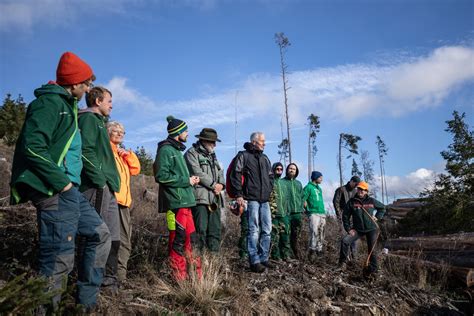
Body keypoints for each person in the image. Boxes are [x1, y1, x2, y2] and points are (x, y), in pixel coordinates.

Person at [10, 52, 111, 311]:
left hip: (69, 190)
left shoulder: (69, 107)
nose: (88, 88)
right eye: (86, 83)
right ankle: (45, 310)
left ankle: (84, 305)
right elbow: (32, 147)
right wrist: (62, 184)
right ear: (75, 83)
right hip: (54, 189)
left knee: (100, 235)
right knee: (58, 260)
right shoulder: (48, 104)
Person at [79, 86, 121, 294]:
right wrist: (100, 181)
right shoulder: (87, 119)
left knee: (113, 237)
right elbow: (85, 150)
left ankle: (108, 282)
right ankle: (89, 289)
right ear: (97, 101)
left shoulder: (100, 123)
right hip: (97, 187)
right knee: (96, 236)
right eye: (109, 101)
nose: (111, 105)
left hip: (109, 188)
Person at [154, 116, 202, 280]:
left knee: (191, 239)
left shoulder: (176, 151)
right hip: (175, 204)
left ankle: (197, 277)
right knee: (178, 240)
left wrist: (190, 181)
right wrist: (186, 180)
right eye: (185, 130)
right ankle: (178, 279)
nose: (188, 133)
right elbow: (161, 176)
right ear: (178, 132)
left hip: (186, 202)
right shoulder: (166, 150)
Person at [229, 132, 273, 273]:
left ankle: (263, 258)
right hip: (251, 199)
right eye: (262, 141)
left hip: (264, 200)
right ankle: (254, 261)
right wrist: (239, 195)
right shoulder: (243, 155)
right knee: (253, 230)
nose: (264, 143)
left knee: (267, 230)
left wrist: (269, 190)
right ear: (254, 142)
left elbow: (271, 177)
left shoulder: (265, 158)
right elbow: (235, 174)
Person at [107, 121, 141, 282]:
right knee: (117, 242)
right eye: (116, 131)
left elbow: (135, 170)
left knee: (124, 241)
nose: (120, 133)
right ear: (108, 132)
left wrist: (128, 155)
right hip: (112, 201)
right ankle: (116, 279)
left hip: (124, 204)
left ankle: (119, 278)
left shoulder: (120, 154)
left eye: (122, 132)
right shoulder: (106, 151)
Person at [184, 128, 225, 253]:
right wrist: (214, 185)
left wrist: (221, 185)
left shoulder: (213, 155)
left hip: (215, 199)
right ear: (204, 141)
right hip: (200, 199)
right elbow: (197, 172)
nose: (214, 145)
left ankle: (214, 262)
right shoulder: (191, 153)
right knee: (199, 231)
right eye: (212, 142)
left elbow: (220, 172)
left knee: (215, 231)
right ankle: (198, 263)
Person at [339, 181, 385, 278]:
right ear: (357, 189)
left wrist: (378, 217)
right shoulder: (352, 202)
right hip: (358, 229)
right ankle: (342, 264)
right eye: (359, 189)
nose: (361, 191)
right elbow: (345, 216)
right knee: (345, 241)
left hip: (371, 229)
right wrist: (348, 229)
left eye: (363, 190)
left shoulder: (372, 201)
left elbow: (382, 208)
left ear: (366, 191)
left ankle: (374, 271)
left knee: (372, 250)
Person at [333, 176, 360, 259]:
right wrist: (339, 215)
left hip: (352, 218)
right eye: (355, 183)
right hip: (343, 217)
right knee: (344, 237)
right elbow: (336, 202)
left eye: (357, 184)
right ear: (351, 181)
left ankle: (354, 256)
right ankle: (345, 258)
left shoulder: (355, 191)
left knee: (353, 237)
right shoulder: (341, 189)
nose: (356, 186)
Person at [281, 163, 304, 259]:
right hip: (286, 212)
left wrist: (301, 206)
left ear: (296, 171)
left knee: (296, 234)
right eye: (290, 168)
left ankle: (296, 253)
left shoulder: (298, 183)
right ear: (287, 170)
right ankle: (286, 254)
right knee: (286, 233)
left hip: (297, 213)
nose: (292, 170)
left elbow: (302, 197)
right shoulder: (282, 182)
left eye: (294, 169)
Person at [269, 162, 291, 261]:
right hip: (273, 214)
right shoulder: (270, 181)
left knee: (285, 235)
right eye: (277, 169)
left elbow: (287, 198)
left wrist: (288, 211)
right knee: (274, 236)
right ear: (273, 169)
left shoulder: (284, 183)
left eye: (281, 169)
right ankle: (276, 256)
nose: (279, 171)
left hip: (284, 213)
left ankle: (285, 255)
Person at [303, 171, 326, 263]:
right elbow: (303, 199)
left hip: (322, 213)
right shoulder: (308, 187)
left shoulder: (319, 188)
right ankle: (312, 251)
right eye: (320, 177)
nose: (322, 179)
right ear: (315, 178)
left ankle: (319, 251)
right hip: (313, 213)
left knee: (321, 232)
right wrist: (308, 210)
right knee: (314, 232)